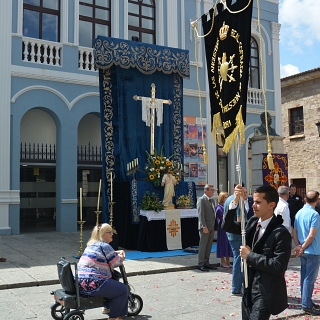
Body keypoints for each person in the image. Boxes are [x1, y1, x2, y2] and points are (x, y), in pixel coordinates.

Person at [222, 185, 292, 319]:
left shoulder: (281, 233)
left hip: (266, 290)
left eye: (258, 202)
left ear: (271, 205)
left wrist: (250, 256)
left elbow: (278, 266)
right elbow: (227, 226)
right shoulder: (253, 222)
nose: (253, 205)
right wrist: (235, 201)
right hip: (248, 286)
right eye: (253, 201)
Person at [77, 223, 128, 320]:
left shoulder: (91, 244)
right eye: (110, 232)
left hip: (80, 282)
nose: (112, 234)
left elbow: (104, 255)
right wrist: (122, 257)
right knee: (122, 290)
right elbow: (116, 262)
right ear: (103, 234)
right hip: (94, 282)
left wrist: (115, 252)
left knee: (112, 284)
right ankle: (114, 317)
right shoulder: (105, 246)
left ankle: (107, 308)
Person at [292, 190, 320, 316]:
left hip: (303, 250)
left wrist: (298, 246)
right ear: (317, 200)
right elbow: (311, 235)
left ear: (304, 199)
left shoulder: (299, 212)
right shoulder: (315, 214)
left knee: (304, 277)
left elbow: (294, 231)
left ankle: (306, 301)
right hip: (312, 250)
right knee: (309, 279)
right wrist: (302, 247)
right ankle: (307, 305)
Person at [224, 183, 246, 296]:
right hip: (237, 233)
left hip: (230, 233)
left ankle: (237, 285)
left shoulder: (228, 199)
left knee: (238, 258)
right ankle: (236, 286)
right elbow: (239, 219)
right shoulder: (237, 200)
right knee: (239, 259)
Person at [197, 184, 217, 271]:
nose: (213, 191)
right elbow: (201, 215)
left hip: (211, 227)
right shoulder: (201, 200)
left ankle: (206, 262)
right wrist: (203, 226)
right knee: (203, 246)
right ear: (206, 191)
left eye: (213, 190)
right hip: (205, 227)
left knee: (209, 246)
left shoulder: (212, 200)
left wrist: (215, 226)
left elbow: (214, 215)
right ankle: (200, 263)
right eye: (211, 190)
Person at [215, 191, 233, 268]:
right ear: (222, 198)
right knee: (223, 243)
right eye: (225, 197)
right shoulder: (219, 207)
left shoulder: (228, 205)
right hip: (222, 228)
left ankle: (228, 260)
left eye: (227, 197)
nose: (227, 198)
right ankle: (222, 261)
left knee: (228, 244)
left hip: (229, 227)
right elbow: (223, 217)